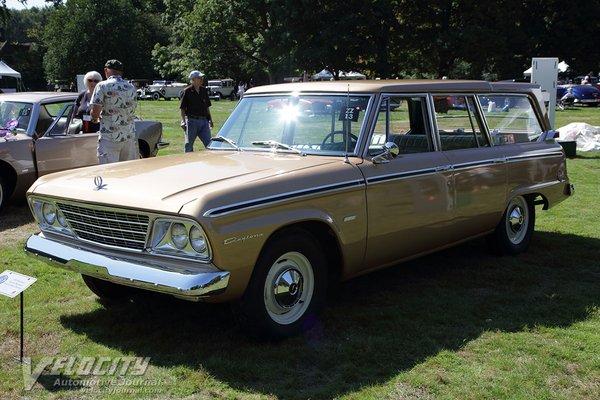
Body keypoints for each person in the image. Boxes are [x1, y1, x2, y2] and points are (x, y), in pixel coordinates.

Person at [90, 59, 138, 164]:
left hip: (109, 137)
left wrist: (93, 117)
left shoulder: (102, 86)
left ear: (106, 71)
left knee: (109, 172)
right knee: (128, 170)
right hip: (128, 136)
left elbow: (95, 113)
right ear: (121, 72)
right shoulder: (131, 87)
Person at [180, 70, 213, 152]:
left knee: (210, 144)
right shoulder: (187, 91)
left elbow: (207, 107)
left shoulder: (204, 91)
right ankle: (188, 163)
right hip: (192, 122)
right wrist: (182, 121)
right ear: (193, 79)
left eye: (201, 78)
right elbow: (182, 108)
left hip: (204, 122)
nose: (202, 79)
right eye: (199, 78)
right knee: (189, 146)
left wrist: (210, 120)